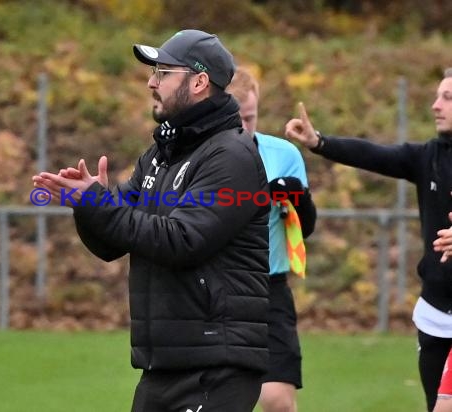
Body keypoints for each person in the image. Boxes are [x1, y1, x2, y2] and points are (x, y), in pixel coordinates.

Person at [33, 29, 271, 412]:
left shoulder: (231, 156)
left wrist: (99, 204)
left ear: (198, 82)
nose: (151, 82)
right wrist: (89, 205)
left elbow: (182, 241)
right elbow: (111, 244)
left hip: (216, 366)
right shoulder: (159, 156)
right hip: (165, 364)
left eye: (162, 73)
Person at [284, 67, 452, 412]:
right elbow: (376, 155)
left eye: (447, 98)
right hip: (435, 314)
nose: (435, 105)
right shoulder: (430, 156)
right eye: (436, 96)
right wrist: (320, 142)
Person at [227, 67, 316, 412]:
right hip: (214, 291)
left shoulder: (284, 155)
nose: (244, 128)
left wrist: (299, 200)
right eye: (236, 119)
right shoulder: (200, 160)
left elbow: (303, 228)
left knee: (277, 400)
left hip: (269, 289)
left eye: (250, 118)